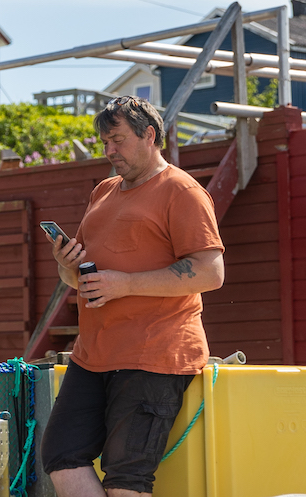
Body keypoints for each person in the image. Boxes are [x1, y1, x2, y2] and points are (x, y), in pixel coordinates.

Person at [40, 96, 225, 497]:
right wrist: (66, 262)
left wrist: (124, 283)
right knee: (60, 455)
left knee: (127, 477)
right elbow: (78, 278)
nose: (109, 151)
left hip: (155, 353)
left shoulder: (183, 191)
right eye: (104, 142)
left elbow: (211, 272)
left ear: (150, 135)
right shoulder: (103, 190)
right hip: (92, 354)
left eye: (117, 140)